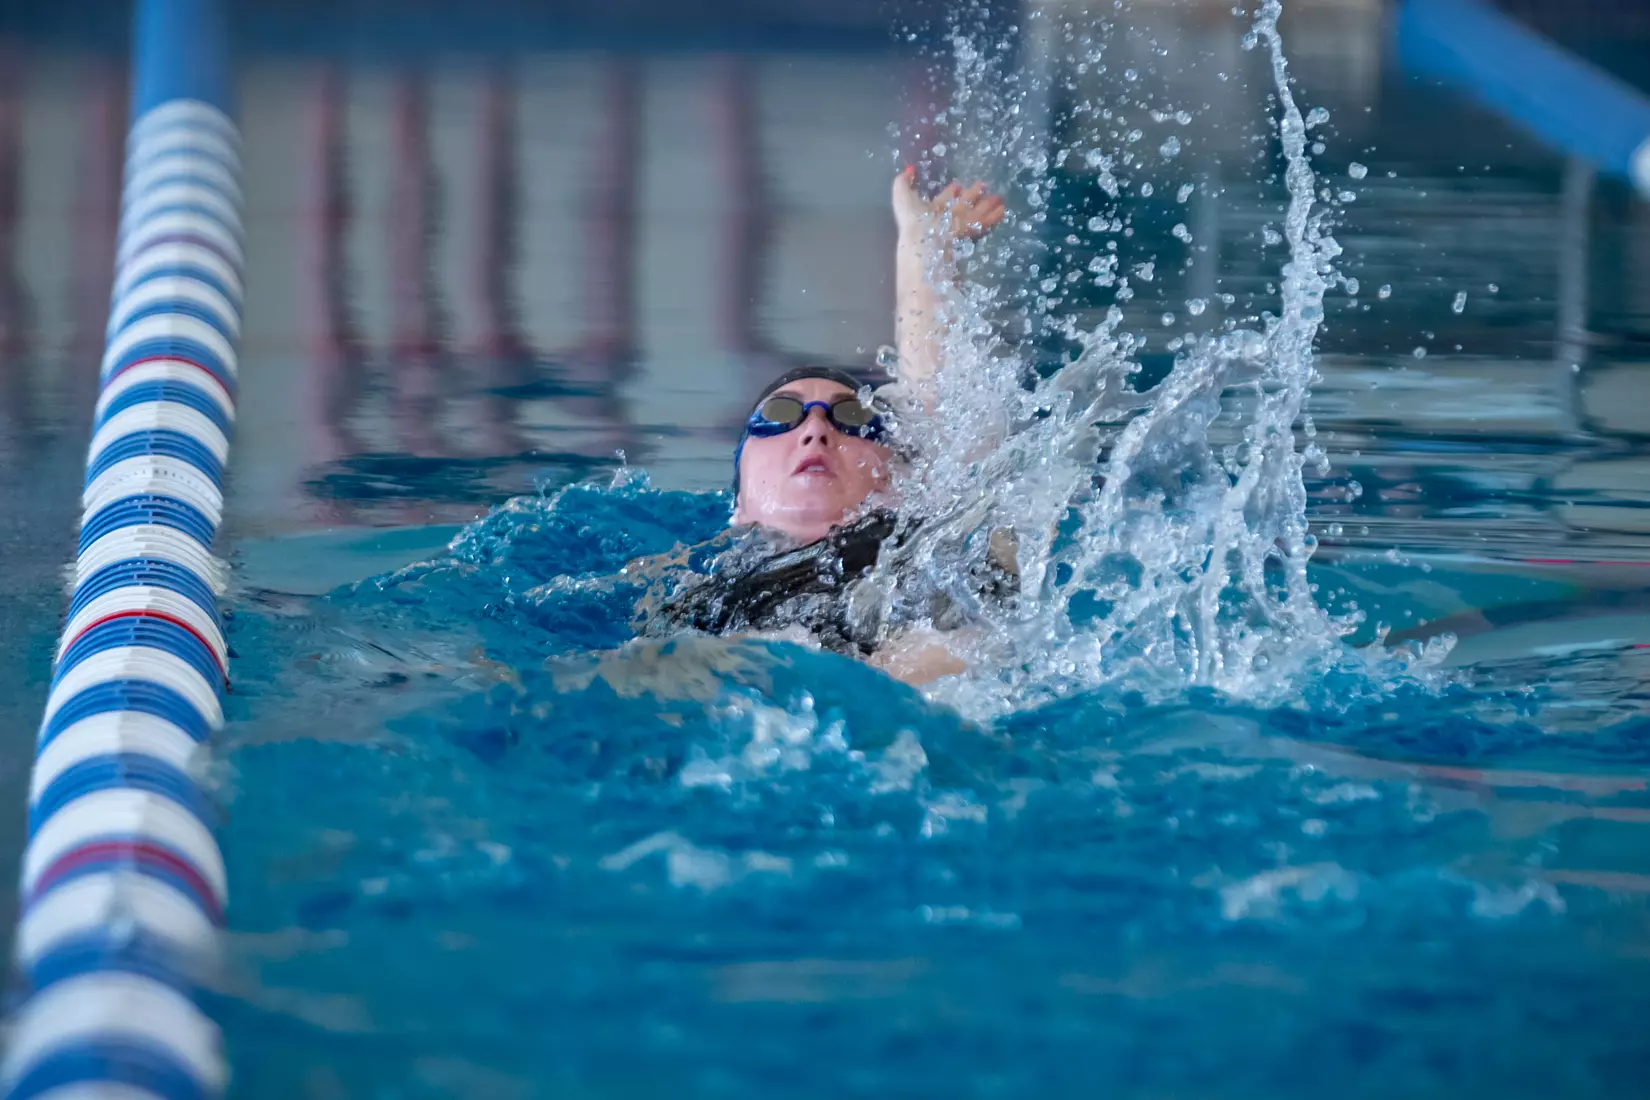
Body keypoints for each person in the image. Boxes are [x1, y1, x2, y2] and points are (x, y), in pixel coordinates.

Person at [635, 171, 1009, 685]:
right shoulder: (699, 599)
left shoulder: (929, 546)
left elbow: (942, 403)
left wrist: (925, 248)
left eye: (853, 418)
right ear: (738, 500)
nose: (815, 429)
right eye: (780, 417)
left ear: (896, 479)